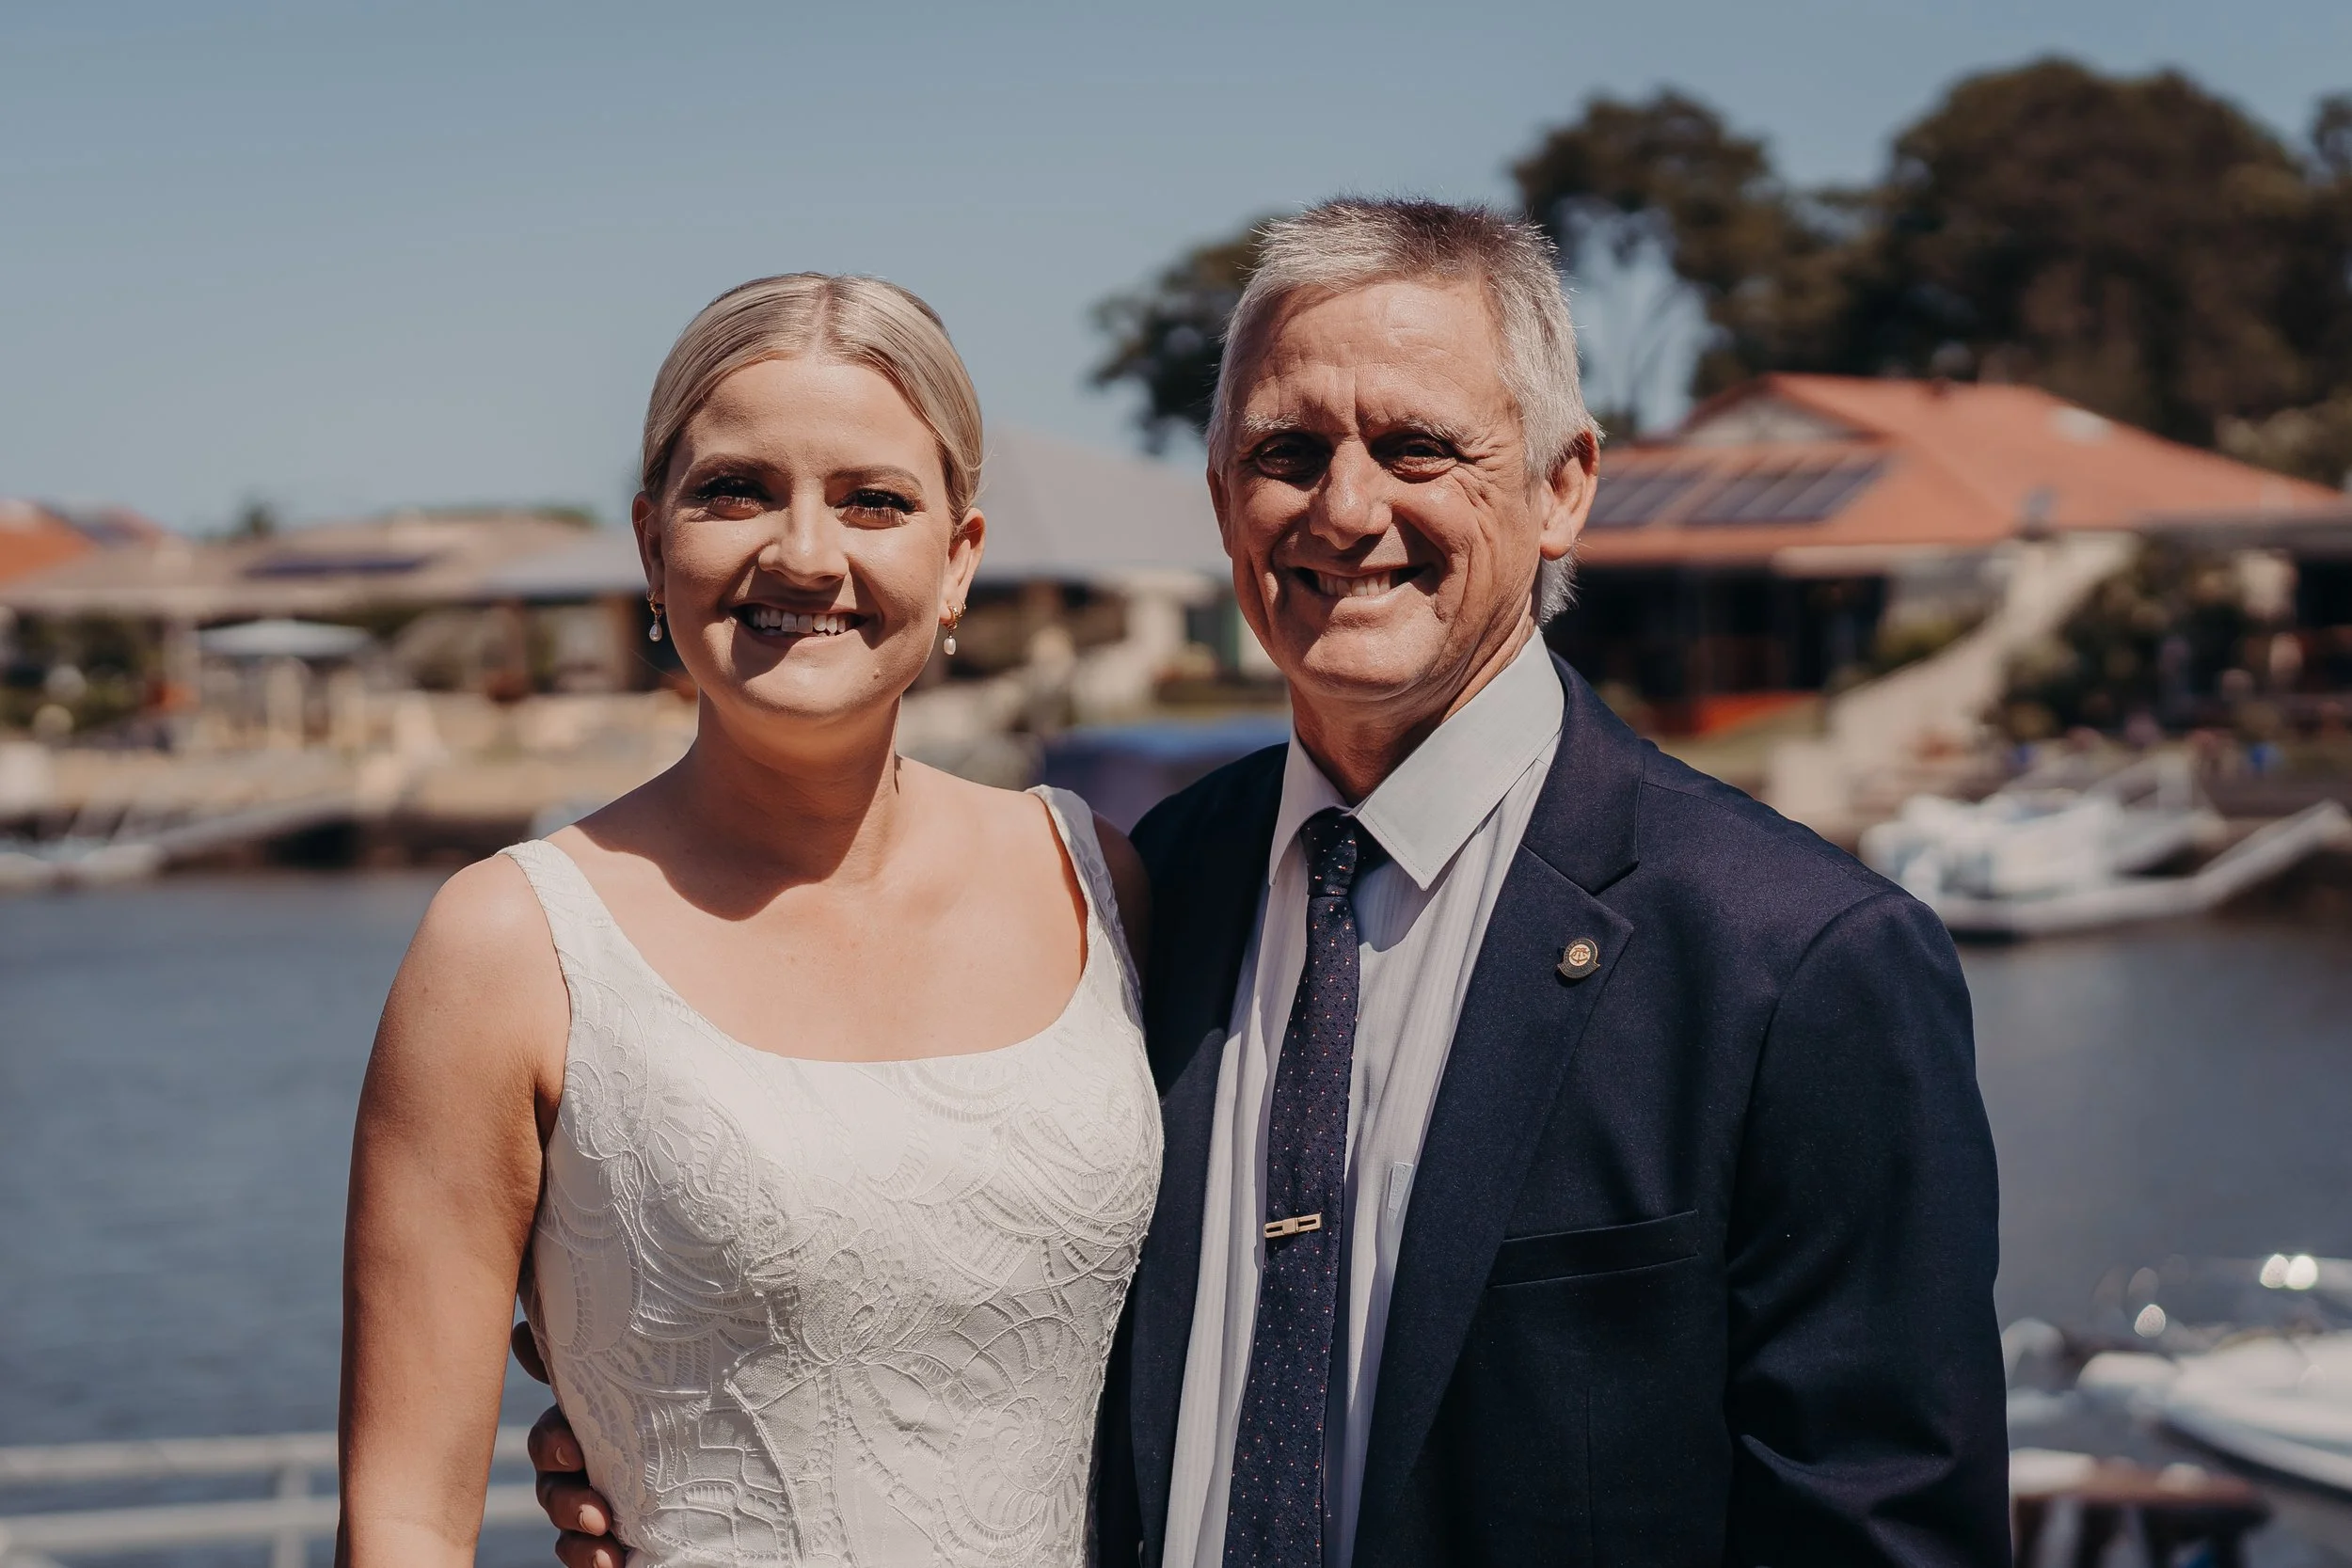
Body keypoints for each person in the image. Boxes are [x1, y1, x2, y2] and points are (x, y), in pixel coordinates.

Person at [533, 199, 2010, 1566]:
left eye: (1418, 448)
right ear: (1225, 496)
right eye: (1286, 454)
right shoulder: (1130, 894)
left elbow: (1880, 1532)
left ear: (1563, 488)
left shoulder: (1794, 962)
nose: (1343, 510)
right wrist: (671, 1411)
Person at [338, 274, 1162, 1568]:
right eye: (735, 490)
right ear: (651, 541)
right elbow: (402, 1523)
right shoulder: (510, 946)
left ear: (958, 559)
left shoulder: (1098, 880)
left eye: (874, 500)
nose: (804, 553)